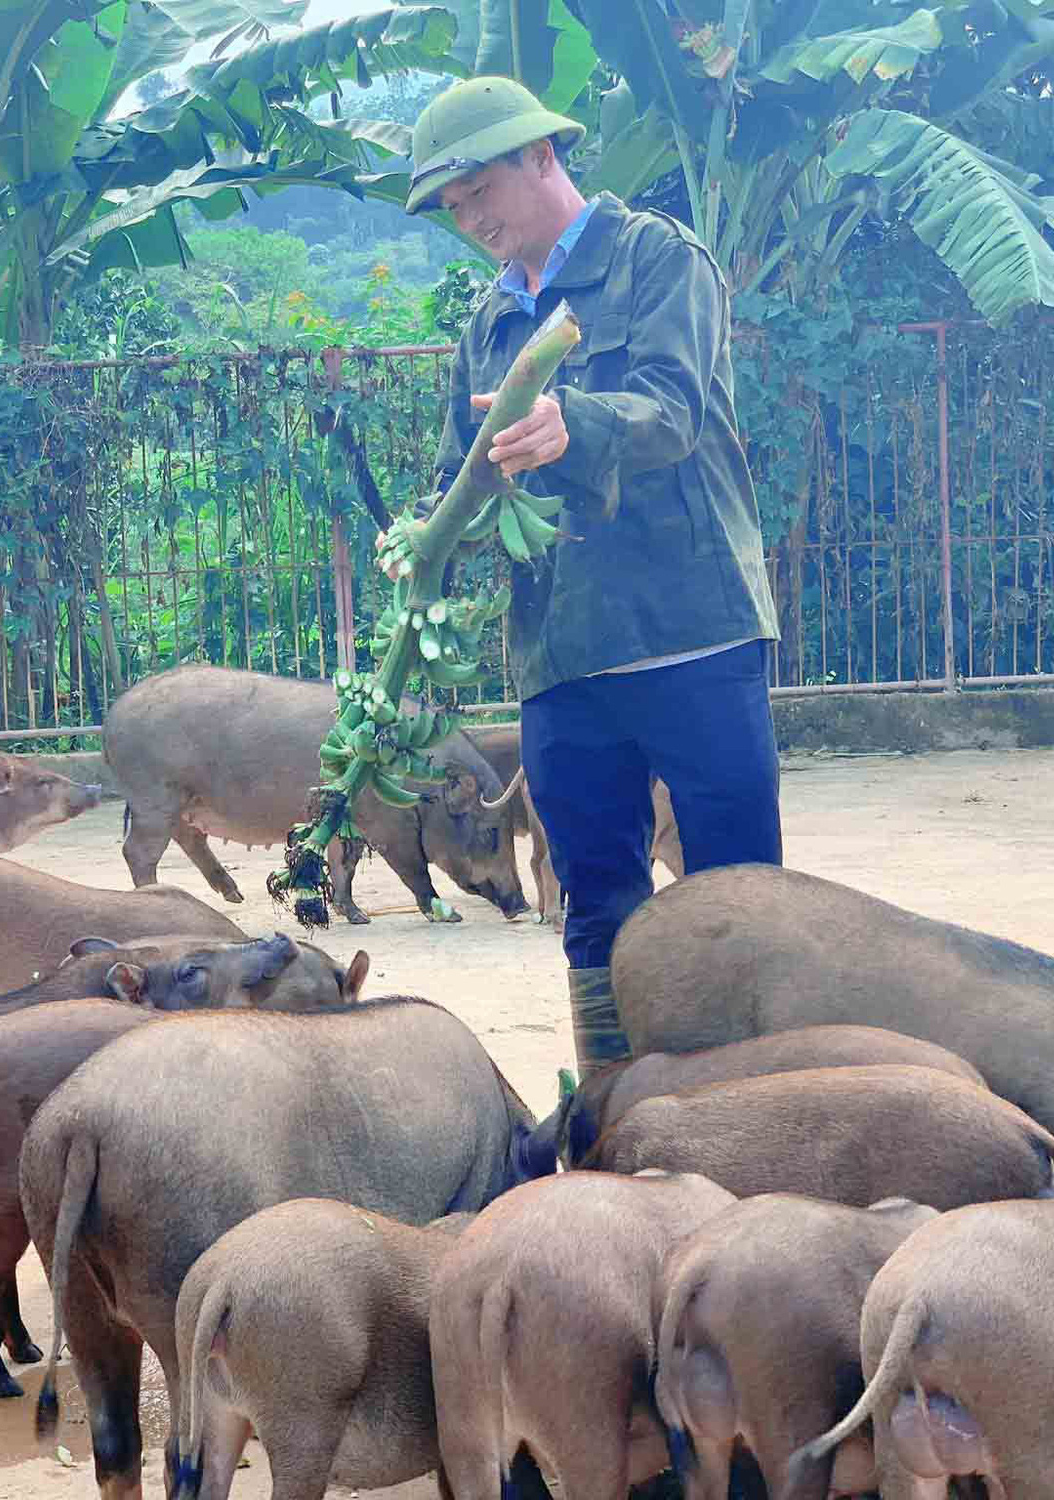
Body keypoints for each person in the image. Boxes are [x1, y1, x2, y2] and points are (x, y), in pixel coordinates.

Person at [404, 76, 784, 1074]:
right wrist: (425, 538)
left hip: (690, 628)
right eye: (453, 206)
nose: (471, 217)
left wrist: (575, 425)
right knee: (592, 895)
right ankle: (615, 1110)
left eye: (479, 187)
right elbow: (462, 480)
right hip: (559, 650)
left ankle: (756, 1102)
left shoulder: (658, 260)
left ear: (541, 155)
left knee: (738, 888)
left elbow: (672, 413)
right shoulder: (487, 322)